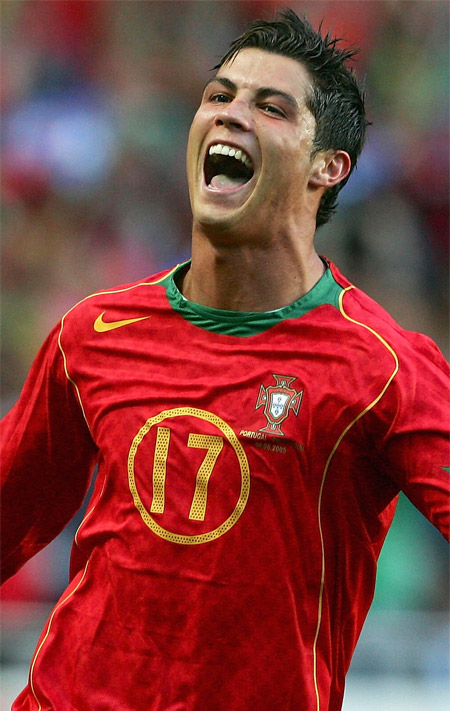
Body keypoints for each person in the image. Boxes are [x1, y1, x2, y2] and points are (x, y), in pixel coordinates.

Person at [1, 9, 449, 711]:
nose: (229, 114)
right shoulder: (92, 333)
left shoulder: (383, 368)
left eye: (271, 107)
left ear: (328, 166)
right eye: (218, 96)